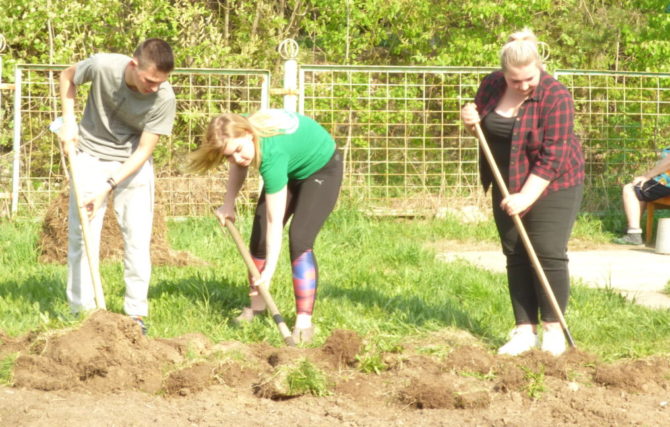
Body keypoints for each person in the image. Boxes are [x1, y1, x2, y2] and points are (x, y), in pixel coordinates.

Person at [461, 28, 585, 356]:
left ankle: (553, 332)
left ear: (538, 67)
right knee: (515, 250)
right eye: (515, 81)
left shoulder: (556, 96)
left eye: (529, 78)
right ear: (503, 74)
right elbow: (487, 131)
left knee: (545, 250)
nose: (524, 85)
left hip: (555, 182)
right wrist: (469, 120)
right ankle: (524, 332)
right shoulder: (490, 85)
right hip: (507, 179)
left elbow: (554, 154)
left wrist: (526, 197)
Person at [188, 109, 343, 344]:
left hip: (321, 168)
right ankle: (256, 309)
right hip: (289, 165)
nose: (237, 159)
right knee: (258, 237)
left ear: (249, 134)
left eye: (238, 151)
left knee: (300, 239)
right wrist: (228, 204)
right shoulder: (242, 137)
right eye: (229, 156)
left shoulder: (272, 153)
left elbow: (275, 220)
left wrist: (269, 271)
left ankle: (303, 321)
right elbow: (239, 167)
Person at [58, 38, 177, 334]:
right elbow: (67, 76)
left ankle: (135, 314)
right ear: (134, 65)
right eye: (149, 80)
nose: (153, 87)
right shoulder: (102, 66)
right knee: (83, 236)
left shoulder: (164, 98)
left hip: (131, 163)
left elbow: (144, 151)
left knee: (137, 239)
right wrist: (69, 122)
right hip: (88, 156)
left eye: (159, 82)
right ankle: (82, 313)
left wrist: (108, 186)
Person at [614, 149, 670, 245]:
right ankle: (632, 229)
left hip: (667, 183)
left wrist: (646, 176)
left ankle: (634, 234)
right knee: (640, 190)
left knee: (631, 189)